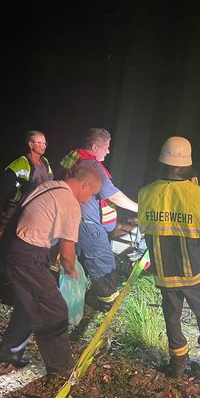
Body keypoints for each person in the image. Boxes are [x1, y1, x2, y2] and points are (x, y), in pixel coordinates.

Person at [0, 165, 102, 382]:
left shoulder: (49, 186)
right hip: (28, 256)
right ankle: (61, 369)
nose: (88, 200)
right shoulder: (70, 205)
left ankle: (9, 353)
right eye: (90, 194)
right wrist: (72, 272)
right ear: (85, 185)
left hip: (11, 247)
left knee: (29, 303)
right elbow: (67, 254)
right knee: (54, 309)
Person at [138, 136, 200, 380]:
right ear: (188, 163)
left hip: (165, 273)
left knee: (172, 319)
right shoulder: (198, 195)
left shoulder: (146, 193)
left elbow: (149, 233)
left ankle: (177, 366)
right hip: (195, 272)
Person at [60, 128, 138, 311]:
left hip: (74, 220)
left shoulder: (73, 158)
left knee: (74, 261)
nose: (108, 151)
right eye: (106, 147)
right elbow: (113, 195)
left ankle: (67, 299)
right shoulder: (92, 166)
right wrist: (139, 209)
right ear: (95, 147)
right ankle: (107, 303)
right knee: (102, 263)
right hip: (89, 225)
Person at [0, 130, 54, 230]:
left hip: (38, 207)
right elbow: (6, 184)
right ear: (31, 144)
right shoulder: (21, 162)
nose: (43, 146)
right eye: (39, 143)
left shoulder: (45, 161)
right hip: (18, 208)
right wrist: (20, 195)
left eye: (44, 143)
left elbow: (50, 181)